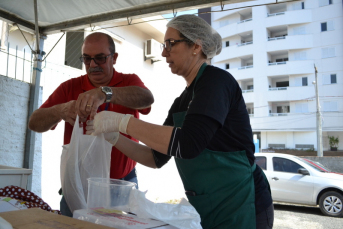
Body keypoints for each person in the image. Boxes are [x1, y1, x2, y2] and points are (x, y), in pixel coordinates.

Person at [86, 15, 274, 229]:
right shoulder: (182, 101)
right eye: (163, 45)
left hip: (242, 200)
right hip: (207, 203)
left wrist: (122, 122)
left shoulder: (216, 82)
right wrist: (114, 137)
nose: (164, 52)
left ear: (195, 46)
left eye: (170, 44)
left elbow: (188, 144)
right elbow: (155, 158)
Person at [28, 32, 154, 217]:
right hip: (78, 185)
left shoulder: (128, 81)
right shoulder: (69, 87)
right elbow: (34, 123)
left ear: (114, 58)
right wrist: (60, 110)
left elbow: (147, 98)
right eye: (87, 59)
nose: (93, 65)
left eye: (100, 58)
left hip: (121, 185)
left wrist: (106, 93)